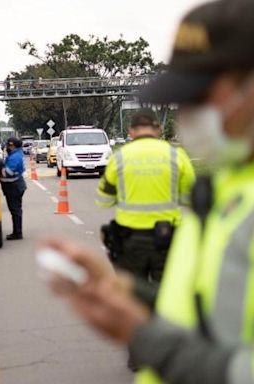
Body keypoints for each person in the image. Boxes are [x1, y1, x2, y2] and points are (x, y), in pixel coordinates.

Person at [45, 1, 254, 383]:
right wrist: (128, 295)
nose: (189, 113)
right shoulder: (228, 186)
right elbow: (211, 320)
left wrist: (147, 338)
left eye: (201, 96)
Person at [96, 109, 195, 284]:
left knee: (133, 297)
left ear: (131, 131)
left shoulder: (119, 158)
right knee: (167, 294)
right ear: (158, 129)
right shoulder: (176, 155)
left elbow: (103, 200)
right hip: (166, 238)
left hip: (130, 239)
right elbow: (189, 197)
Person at [0, 137, 27, 240]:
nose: (6, 147)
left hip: (14, 186)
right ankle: (17, 231)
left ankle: (17, 233)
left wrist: (0, 166)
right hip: (14, 185)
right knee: (15, 210)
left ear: (12, 145)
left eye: (7, 145)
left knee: (15, 210)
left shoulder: (15, 157)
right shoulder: (15, 154)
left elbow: (8, 173)